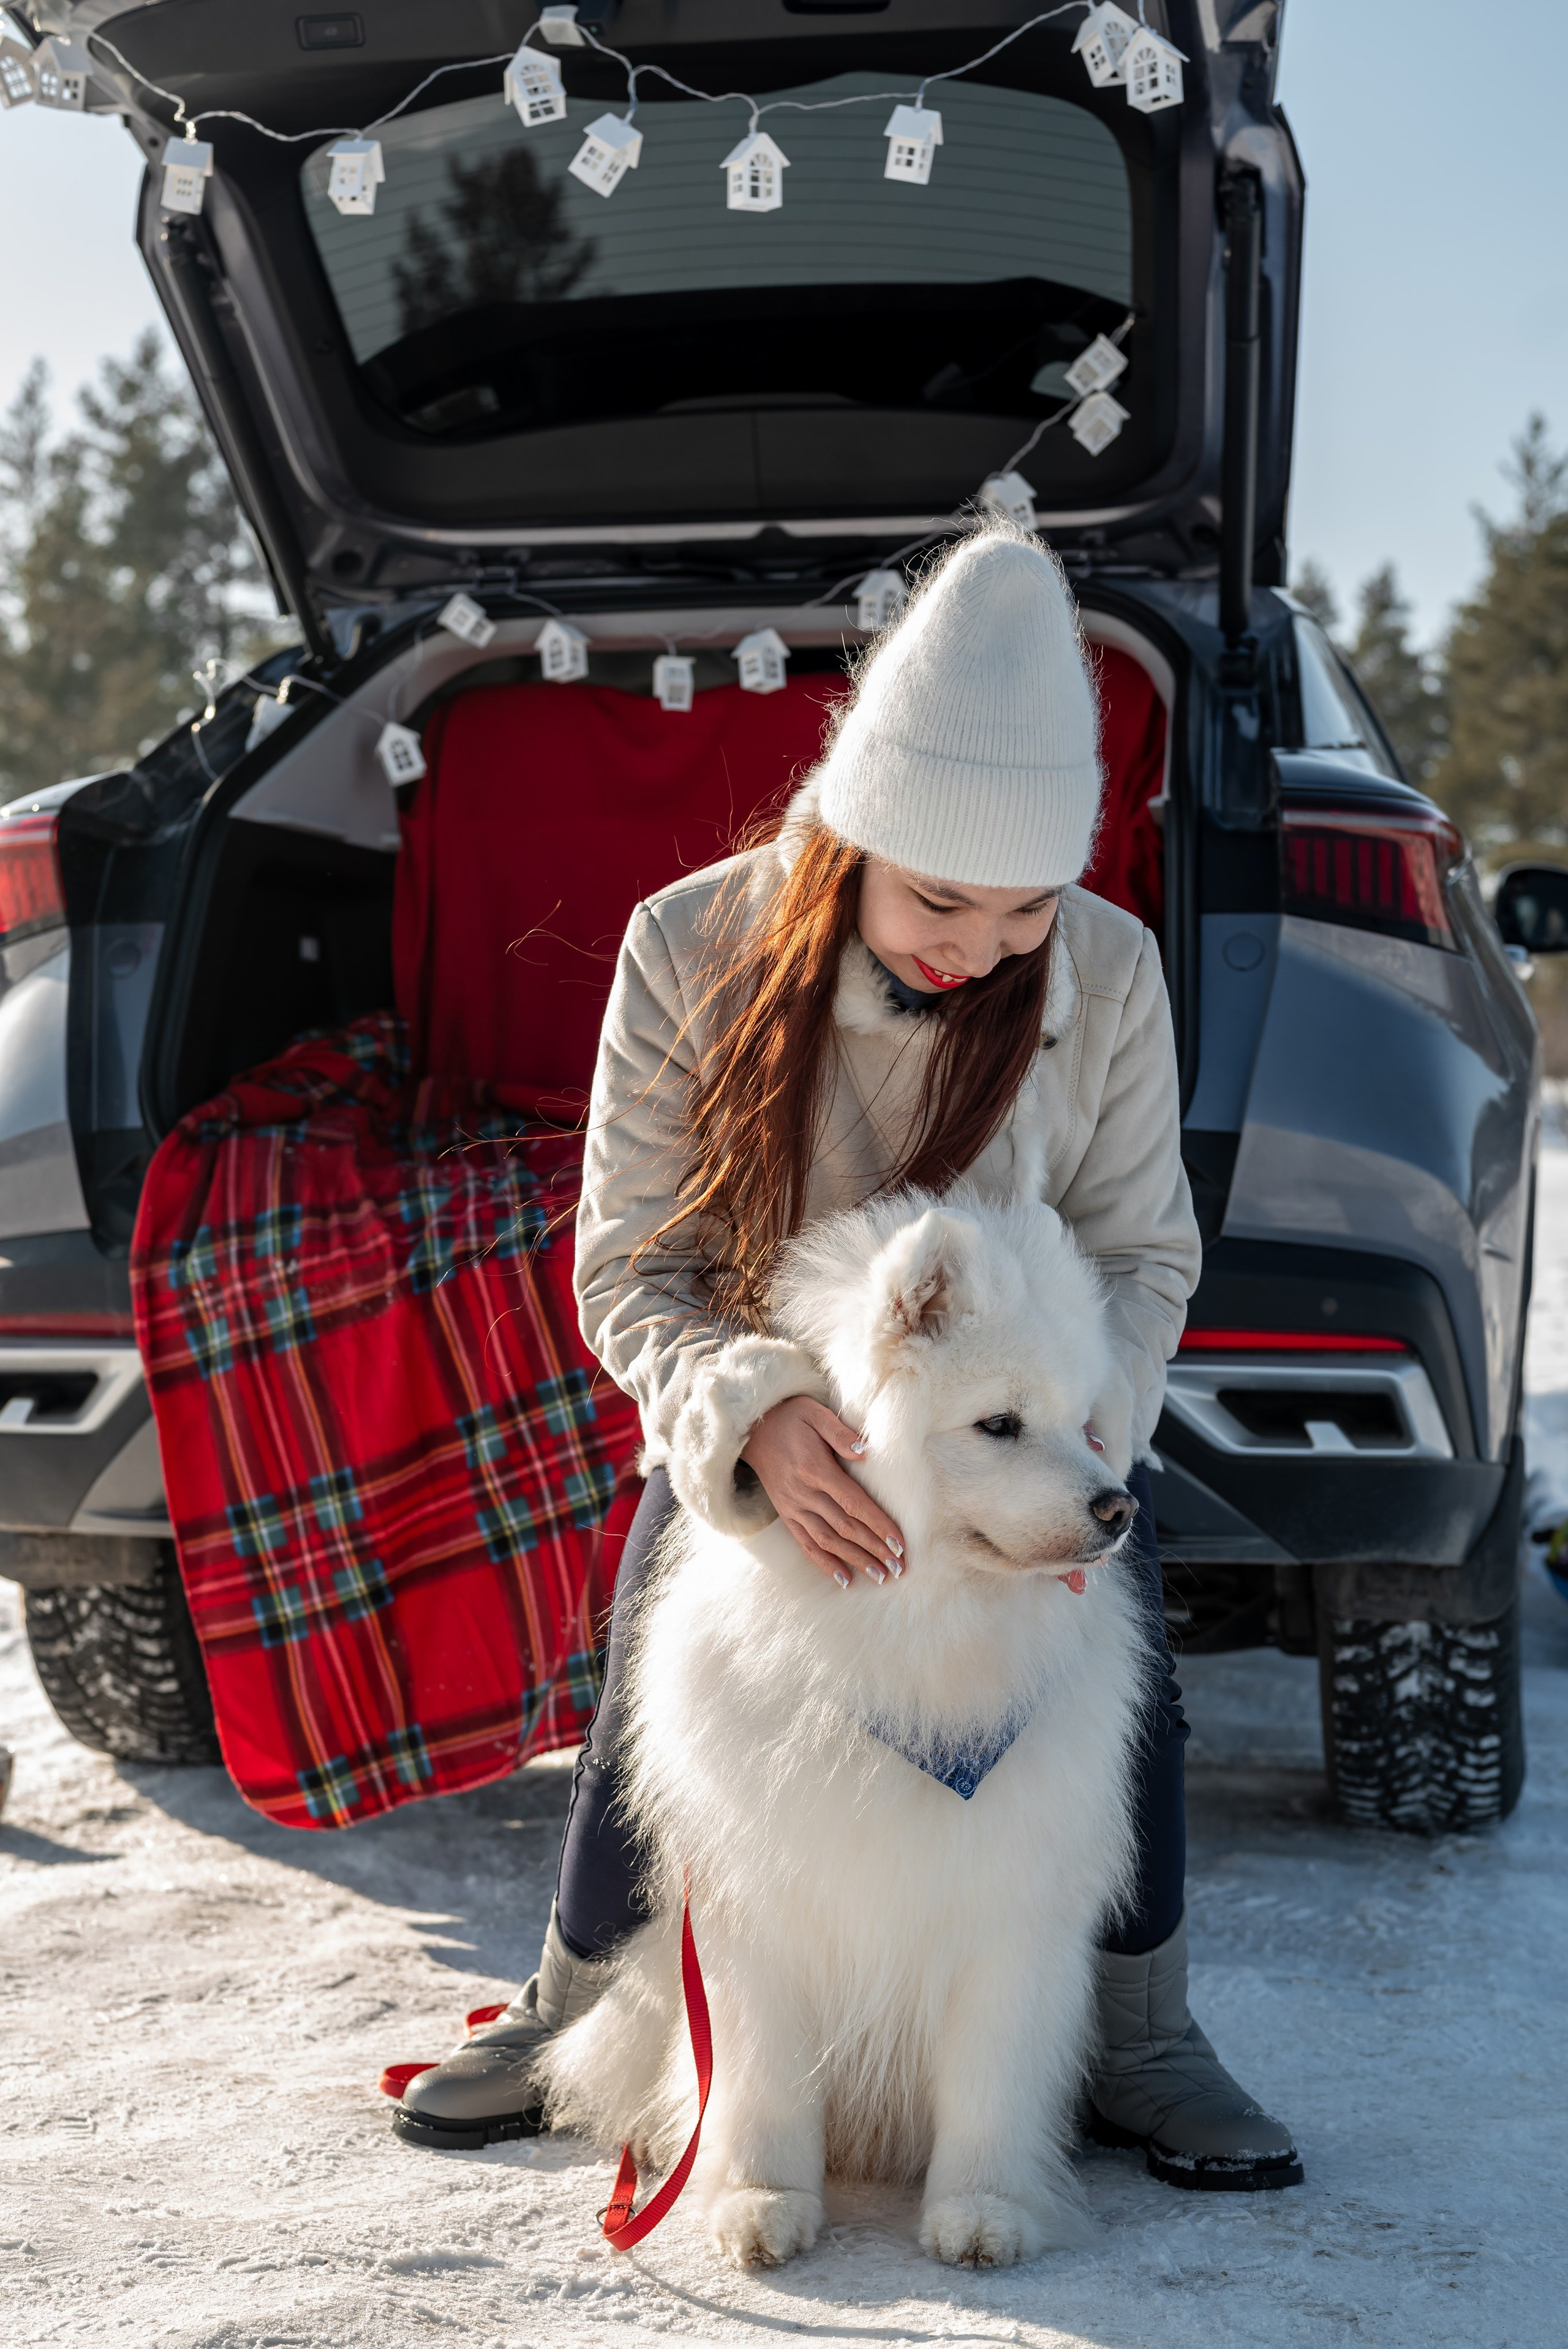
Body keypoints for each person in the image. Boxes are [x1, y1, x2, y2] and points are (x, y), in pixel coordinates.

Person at [398, 523, 1302, 2193]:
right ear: (850, 833)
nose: (980, 943)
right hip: (782, 1412)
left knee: (1127, 1632)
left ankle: (1146, 2027)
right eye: (939, 896)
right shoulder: (692, 948)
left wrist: (1081, 1430)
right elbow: (635, 1263)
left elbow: (1143, 1243)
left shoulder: (1108, 976)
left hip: (1028, 1413)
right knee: (660, 1595)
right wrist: (750, 1415)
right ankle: (576, 1988)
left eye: (1024, 905)